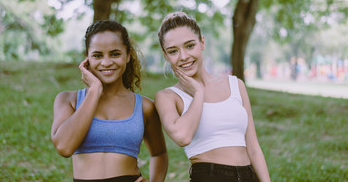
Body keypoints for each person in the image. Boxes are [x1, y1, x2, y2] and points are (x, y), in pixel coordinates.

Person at [155, 12, 270, 182]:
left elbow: (253, 147)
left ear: (202, 42)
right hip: (209, 176)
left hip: (248, 176)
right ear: (166, 55)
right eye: (173, 51)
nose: (184, 56)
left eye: (189, 46)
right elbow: (182, 137)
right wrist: (198, 93)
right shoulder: (168, 97)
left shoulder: (235, 85)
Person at [51, 20, 168, 182]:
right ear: (87, 59)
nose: (106, 62)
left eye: (115, 54)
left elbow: (159, 154)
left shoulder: (145, 107)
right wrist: (94, 91)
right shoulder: (67, 100)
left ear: (127, 55)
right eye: (98, 55)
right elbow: (64, 147)